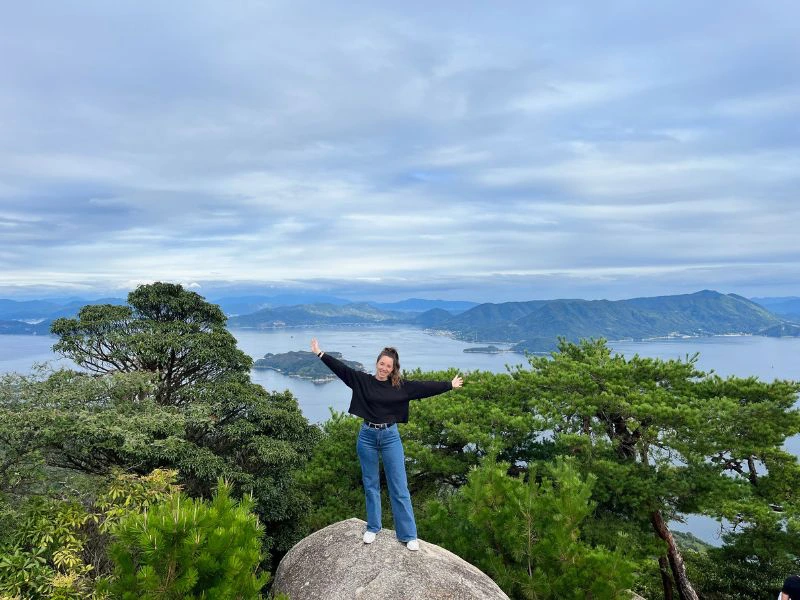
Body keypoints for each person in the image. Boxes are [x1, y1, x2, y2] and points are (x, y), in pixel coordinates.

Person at [310, 338, 463, 551]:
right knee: (370, 484)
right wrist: (320, 353)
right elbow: (341, 369)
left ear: (393, 369)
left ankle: (408, 535)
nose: (384, 368)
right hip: (367, 437)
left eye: (388, 366)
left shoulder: (401, 387)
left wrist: (449, 385)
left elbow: (425, 387)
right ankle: (373, 527)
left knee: (399, 486)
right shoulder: (362, 380)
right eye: (382, 364)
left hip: (390, 437)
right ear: (377, 363)